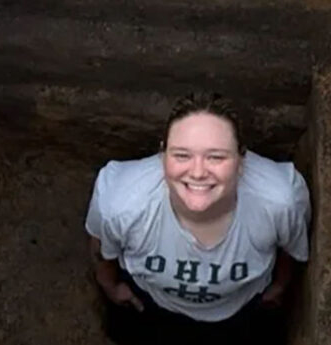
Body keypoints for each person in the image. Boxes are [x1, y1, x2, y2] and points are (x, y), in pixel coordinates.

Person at [84, 92, 311, 345]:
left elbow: (289, 248)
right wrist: (111, 287)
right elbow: (102, 246)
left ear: (241, 159)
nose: (198, 172)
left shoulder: (279, 202)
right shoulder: (122, 202)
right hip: (151, 308)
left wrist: (279, 288)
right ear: (163, 155)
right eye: (182, 155)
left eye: (216, 157)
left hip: (240, 313)